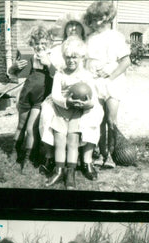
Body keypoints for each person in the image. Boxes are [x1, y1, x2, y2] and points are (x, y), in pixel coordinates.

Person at [44, 36, 104, 188]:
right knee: (59, 140)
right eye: (68, 57)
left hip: (77, 112)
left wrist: (87, 104)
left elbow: (93, 98)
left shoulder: (86, 76)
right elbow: (55, 95)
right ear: (64, 57)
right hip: (61, 111)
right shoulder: (60, 74)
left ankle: (70, 173)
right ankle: (58, 171)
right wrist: (66, 102)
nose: (71, 60)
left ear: (82, 57)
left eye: (74, 57)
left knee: (73, 141)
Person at [83, 0, 131, 169]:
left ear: (108, 17)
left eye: (101, 18)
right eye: (95, 18)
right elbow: (86, 61)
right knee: (98, 119)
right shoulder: (90, 38)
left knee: (111, 119)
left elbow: (126, 62)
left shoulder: (116, 36)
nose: (97, 22)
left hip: (113, 82)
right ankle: (101, 153)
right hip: (94, 82)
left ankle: (112, 154)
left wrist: (110, 75)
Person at [39, 19, 86, 176]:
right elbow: (56, 89)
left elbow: (89, 88)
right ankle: (52, 161)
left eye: (76, 26)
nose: (73, 28)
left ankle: (84, 162)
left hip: (80, 105)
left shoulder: (84, 55)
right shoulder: (60, 55)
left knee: (75, 137)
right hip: (62, 103)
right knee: (49, 119)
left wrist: (87, 102)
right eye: (70, 26)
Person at [8, 25, 54, 169]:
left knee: (31, 128)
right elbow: (12, 74)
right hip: (26, 95)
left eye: (43, 43)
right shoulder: (28, 56)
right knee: (20, 126)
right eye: (37, 43)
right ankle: (14, 151)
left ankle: (27, 159)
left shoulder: (51, 56)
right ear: (32, 44)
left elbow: (58, 74)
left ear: (49, 44)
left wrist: (50, 64)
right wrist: (14, 67)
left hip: (41, 99)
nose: (40, 46)